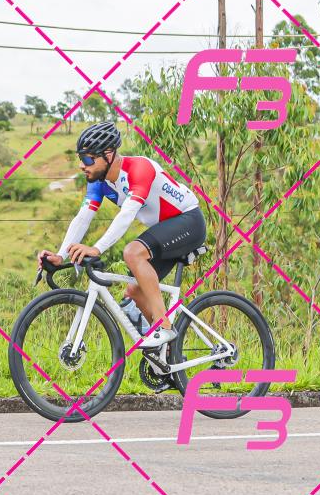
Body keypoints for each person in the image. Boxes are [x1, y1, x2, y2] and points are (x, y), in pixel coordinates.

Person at [36, 121, 206, 349]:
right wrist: (61, 255)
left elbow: (126, 215)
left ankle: (164, 327)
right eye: (80, 158)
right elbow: (83, 218)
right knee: (134, 291)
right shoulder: (99, 182)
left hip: (189, 221)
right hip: (165, 231)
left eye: (87, 159)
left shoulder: (139, 169)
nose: (82, 165)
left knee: (133, 253)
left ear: (108, 155)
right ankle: (165, 353)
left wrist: (96, 248)